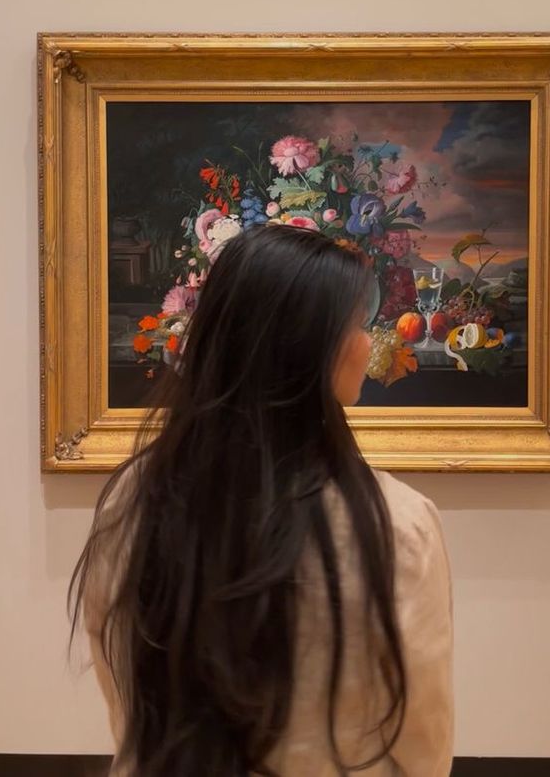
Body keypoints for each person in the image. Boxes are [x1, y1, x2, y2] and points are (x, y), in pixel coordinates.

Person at [70, 224, 453, 776]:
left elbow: (128, 709)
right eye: (358, 325)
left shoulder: (134, 498)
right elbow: (423, 745)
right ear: (311, 348)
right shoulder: (399, 523)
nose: (369, 343)